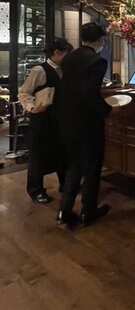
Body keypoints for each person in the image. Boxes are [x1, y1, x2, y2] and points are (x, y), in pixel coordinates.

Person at [56, 22, 113, 227]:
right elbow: (90, 93)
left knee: (75, 164)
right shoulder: (97, 61)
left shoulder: (68, 58)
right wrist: (108, 110)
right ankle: (88, 212)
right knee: (92, 166)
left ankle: (64, 211)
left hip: (67, 119)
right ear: (100, 40)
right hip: (87, 121)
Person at [18, 38, 74, 204]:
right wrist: (31, 107)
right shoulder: (40, 70)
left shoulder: (65, 70)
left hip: (61, 118)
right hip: (43, 119)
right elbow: (24, 92)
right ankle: (36, 190)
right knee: (39, 154)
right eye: (67, 54)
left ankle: (66, 184)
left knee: (63, 152)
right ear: (56, 53)